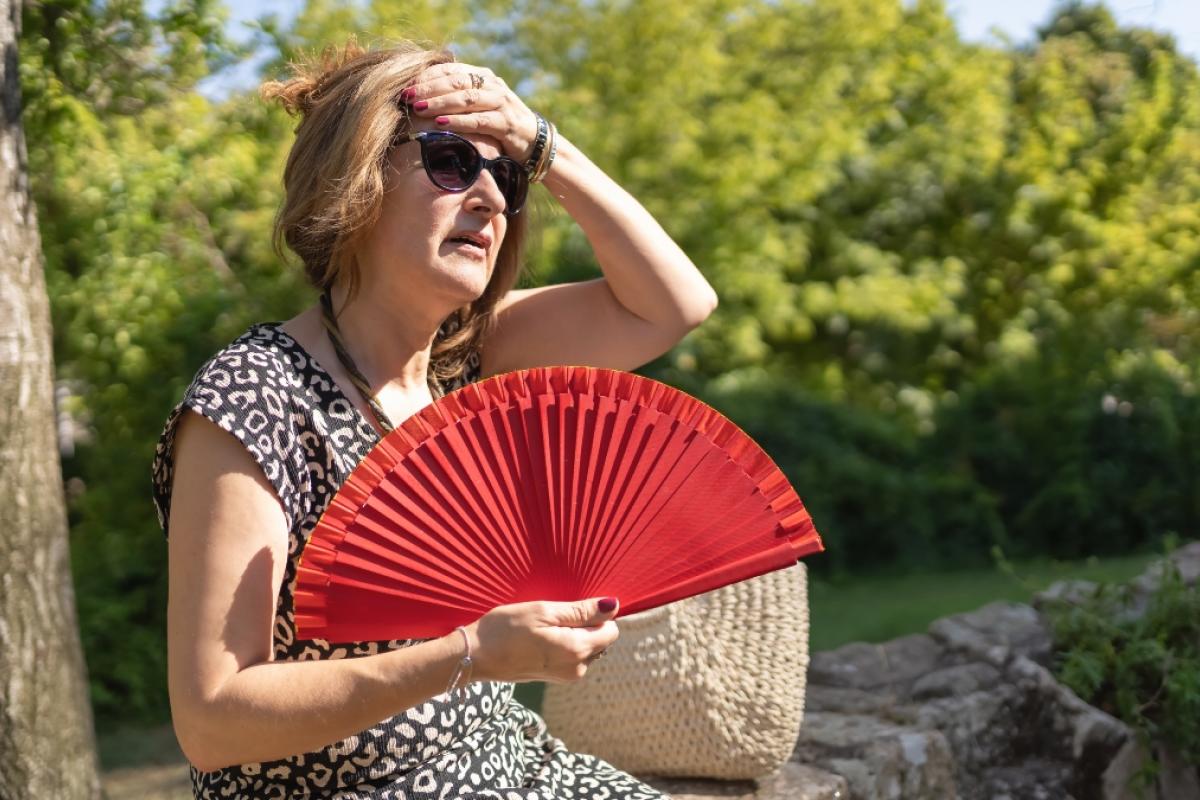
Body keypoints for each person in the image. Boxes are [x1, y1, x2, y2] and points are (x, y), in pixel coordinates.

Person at [152, 37, 718, 799]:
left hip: (515, 772)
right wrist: (470, 654)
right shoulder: (256, 396)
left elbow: (677, 304)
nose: (488, 197)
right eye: (451, 162)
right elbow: (212, 718)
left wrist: (544, 144)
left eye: (507, 176)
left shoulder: (470, 363)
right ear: (353, 179)